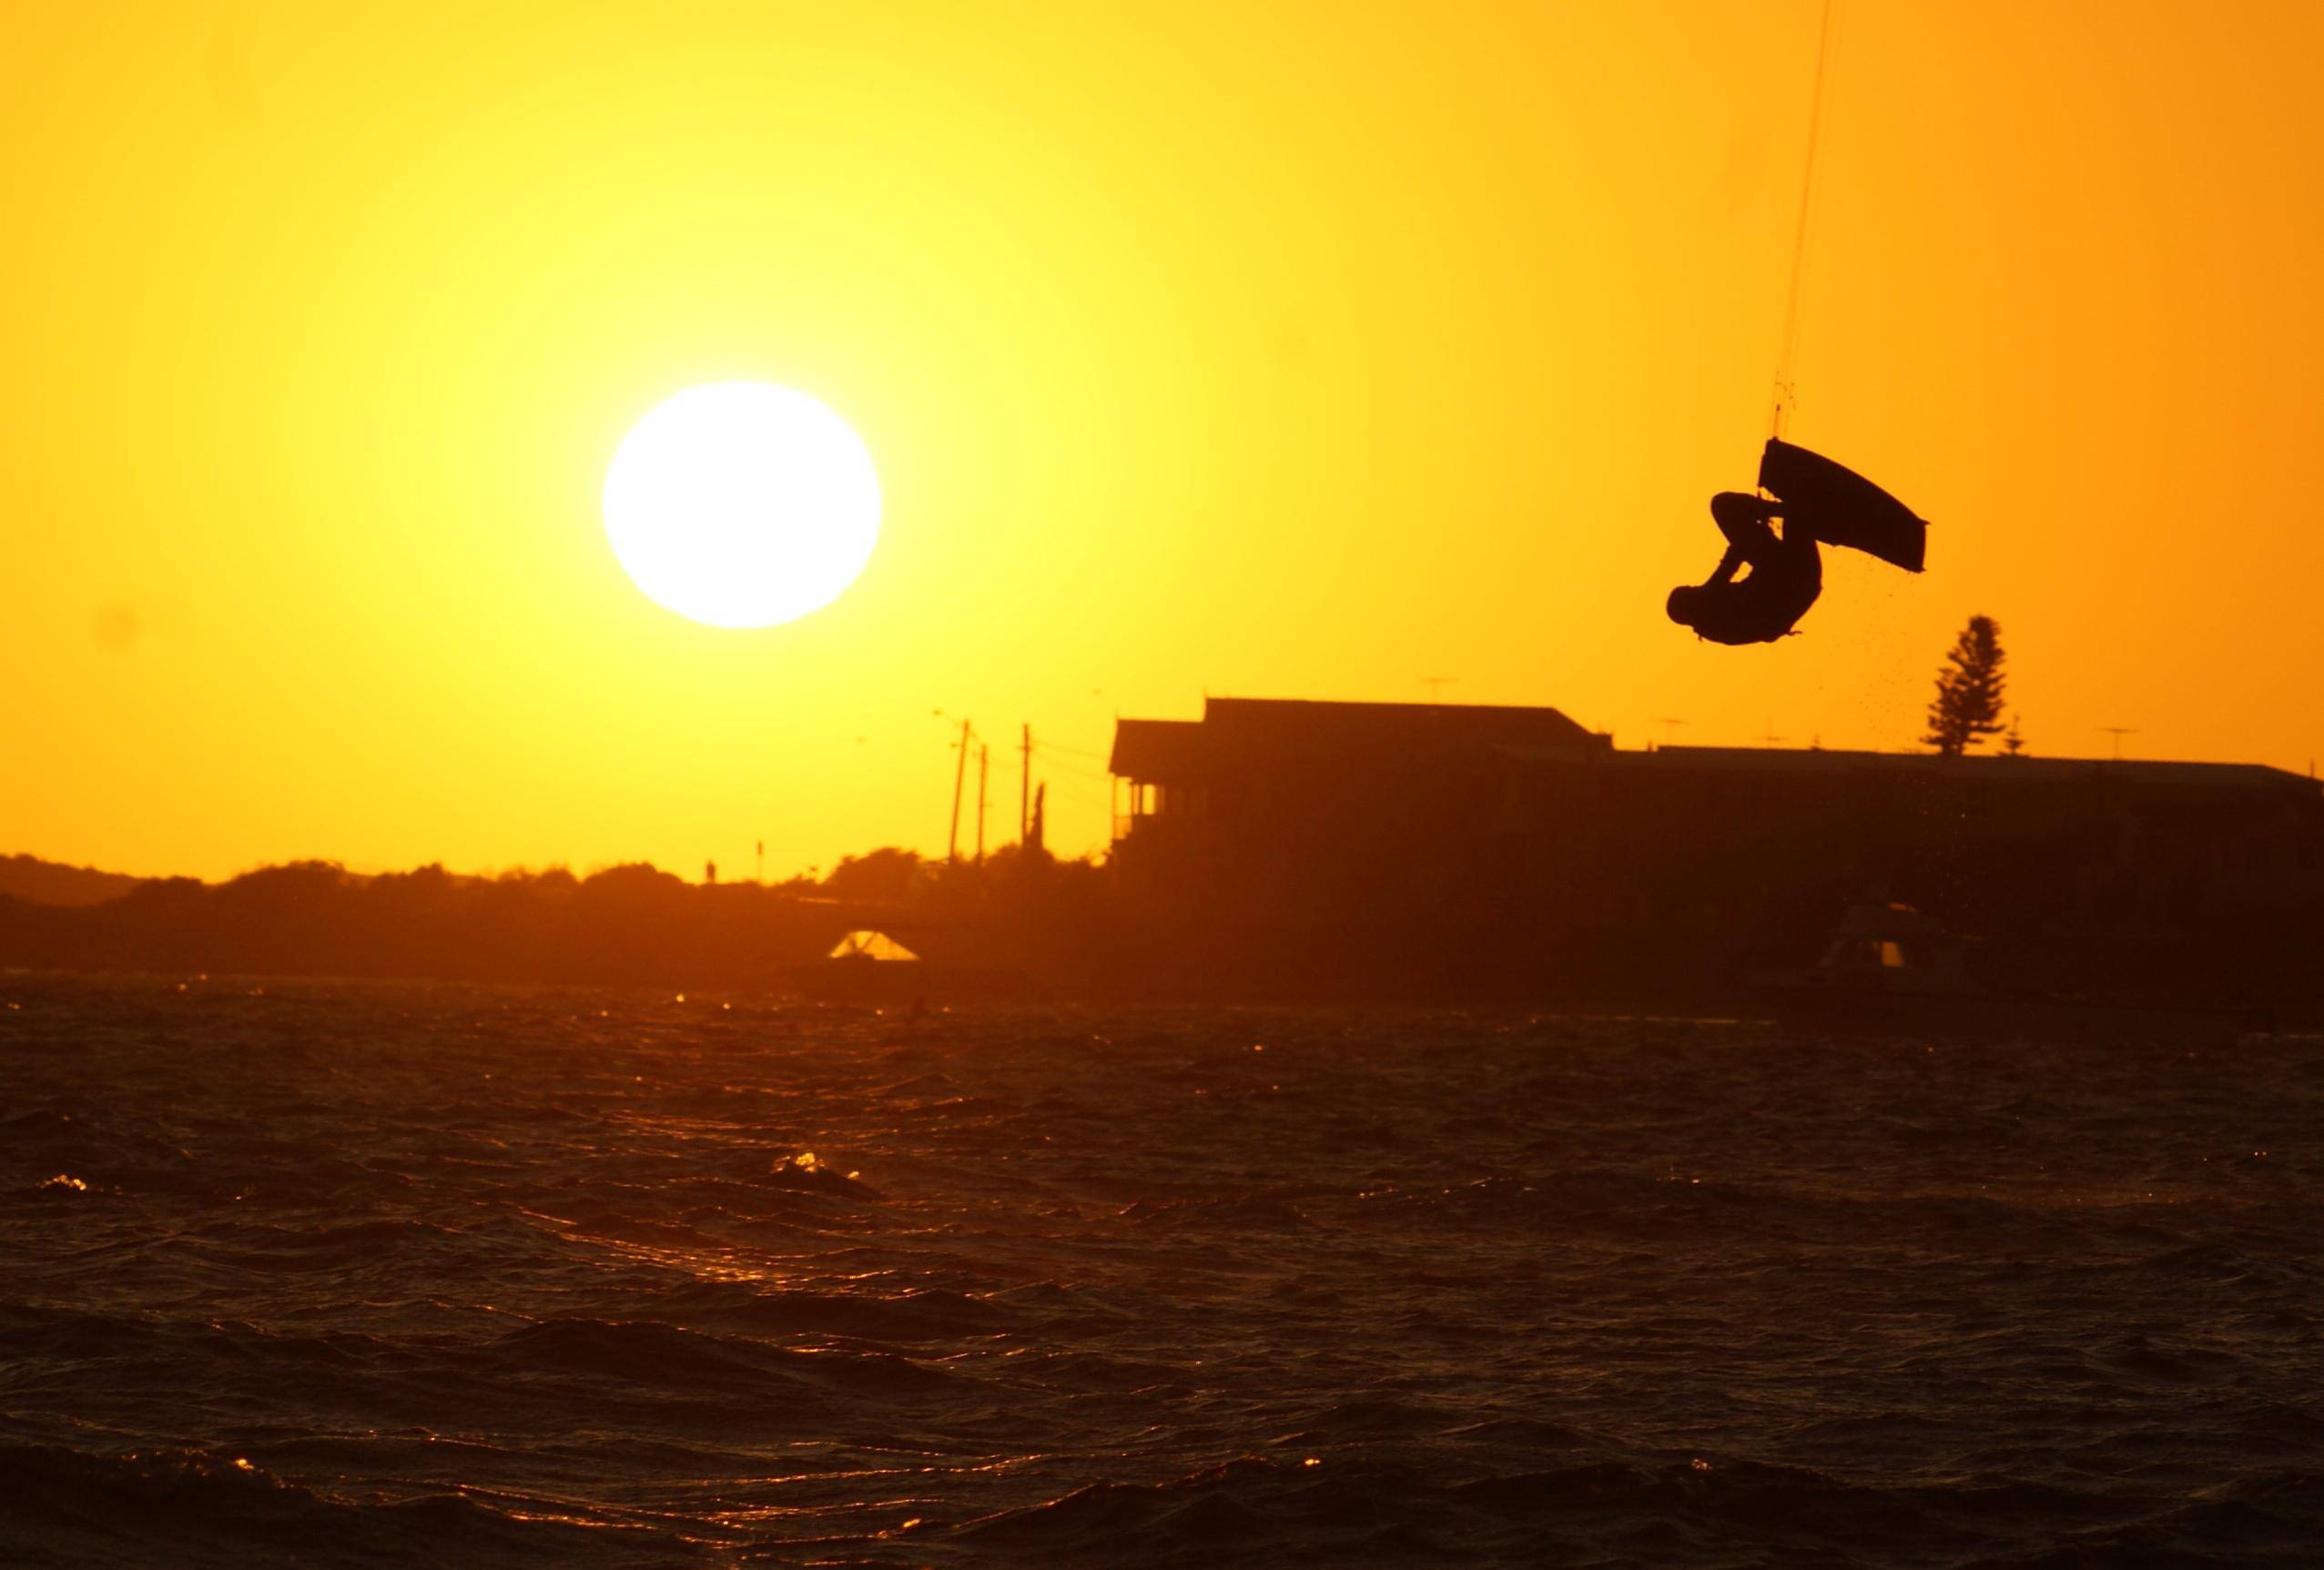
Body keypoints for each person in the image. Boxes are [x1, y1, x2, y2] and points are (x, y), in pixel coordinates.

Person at [1666, 491, 1822, 645]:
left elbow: (1770, 631)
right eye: (1692, 590)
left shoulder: (1715, 629)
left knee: (1796, 515)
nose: (1698, 588)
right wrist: (1752, 526)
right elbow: (1732, 560)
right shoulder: (1708, 602)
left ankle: (1788, 509)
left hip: (1804, 581)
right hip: (1790, 574)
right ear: (1690, 604)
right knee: (1722, 506)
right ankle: (1780, 509)